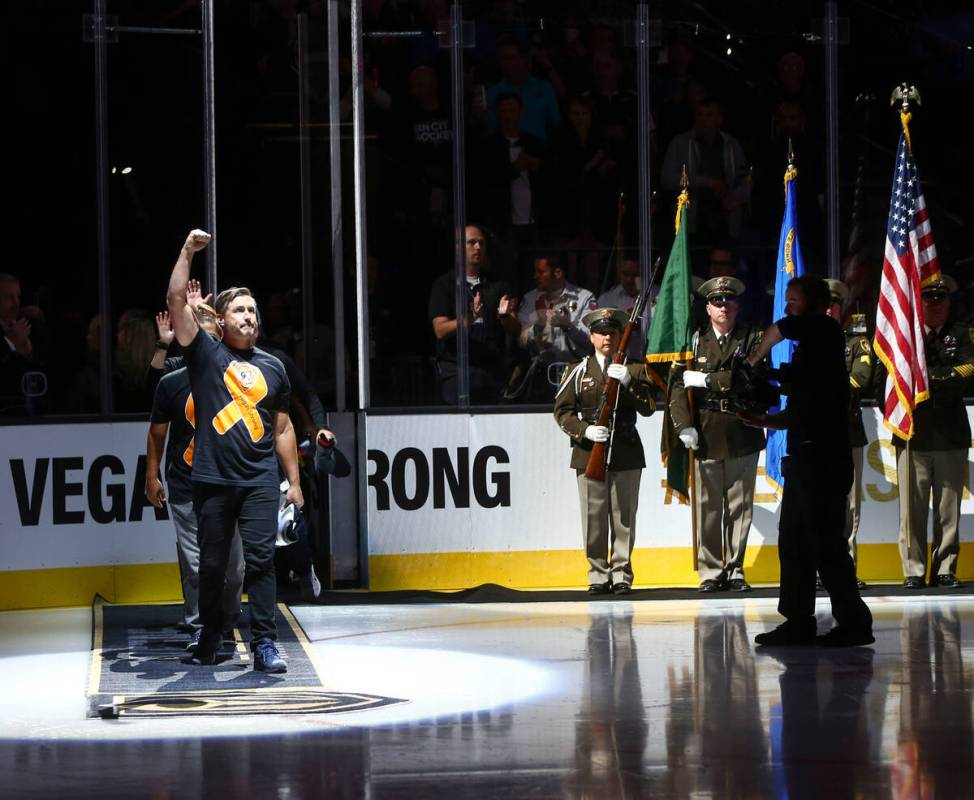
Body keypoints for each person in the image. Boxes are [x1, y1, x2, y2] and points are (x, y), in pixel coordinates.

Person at [167, 229, 302, 672]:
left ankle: (265, 642)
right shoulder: (205, 356)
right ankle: (210, 635)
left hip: (260, 480)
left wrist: (294, 483)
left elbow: (282, 429)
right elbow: (175, 303)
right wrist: (188, 251)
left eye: (252, 310)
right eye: (238, 310)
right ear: (220, 321)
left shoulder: (274, 367)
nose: (248, 315)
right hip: (212, 479)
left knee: (262, 563)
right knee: (213, 567)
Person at [741, 274, 873, 647]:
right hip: (804, 456)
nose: (787, 307)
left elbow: (782, 327)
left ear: (814, 305)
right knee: (794, 542)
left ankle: (854, 622)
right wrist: (764, 420)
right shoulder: (811, 353)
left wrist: (754, 359)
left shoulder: (826, 330)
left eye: (793, 299)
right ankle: (798, 620)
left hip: (825, 461)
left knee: (826, 543)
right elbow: (802, 408)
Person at [145, 303, 245, 649]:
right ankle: (201, 624)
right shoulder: (174, 378)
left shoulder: (237, 377)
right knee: (195, 561)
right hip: (186, 482)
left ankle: (227, 618)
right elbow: (156, 428)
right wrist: (151, 475)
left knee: (234, 570)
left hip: (228, 481)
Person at [670, 276, 766, 593]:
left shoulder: (752, 338)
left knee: (740, 508)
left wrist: (708, 381)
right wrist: (684, 426)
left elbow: (750, 379)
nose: (723, 307)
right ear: (708, 307)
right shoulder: (694, 342)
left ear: (737, 305)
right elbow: (676, 389)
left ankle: (735, 568)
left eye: (728, 301)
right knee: (708, 509)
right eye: (717, 302)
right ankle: (711, 569)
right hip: (706, 431)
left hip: (742, 428)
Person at [553, 307, 656, 594]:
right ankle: (598, 574)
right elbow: (562, 412)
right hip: (589, 453)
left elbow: (648, 407)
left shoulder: (633, 368)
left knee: (623, 518)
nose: (607, 337)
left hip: (625, 451)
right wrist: (584, 431)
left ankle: (621, 573)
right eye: (600, 332)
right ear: (591, 336)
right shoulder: (578, 370)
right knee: (594, 517)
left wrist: (629, 382)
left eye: (612, 332)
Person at [887, 275, 972, 589]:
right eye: (928, 300)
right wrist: (940, 380)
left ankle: (945, 567)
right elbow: (888, 381)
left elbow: (968, 372)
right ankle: (913, 569)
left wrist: (926, 380)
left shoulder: (963, 334)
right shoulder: (903, 338)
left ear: (949, 303)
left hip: (950, 435)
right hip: (913, 434)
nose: (935, 306)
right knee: (912, 509)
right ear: (917, 304)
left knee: (949, 508)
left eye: (941, 300)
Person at [428, 224, 520, 404]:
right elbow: (439, 330)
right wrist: (469, 319)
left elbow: (516, 330)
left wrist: (504, 317)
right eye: (472, 243)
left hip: (492, 373)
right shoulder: (444, 284)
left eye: (482, 244)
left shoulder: (498, 285)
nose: (478, 247)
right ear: (458, 248)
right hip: (457, 374)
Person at [826, 279, 872, 589]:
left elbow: (861, 379)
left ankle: (848, 568)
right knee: (821, 503)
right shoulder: (804, 342)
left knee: (850, 504)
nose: (830, 309)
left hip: (848, 431)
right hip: (815, 434)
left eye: (834, 304)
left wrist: (822, 385)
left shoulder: (856, 343)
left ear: (841, 308)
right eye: (824, 304)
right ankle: (820, 568)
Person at [512, 252, 596, 401]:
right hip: (540, 377)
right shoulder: (530, 299)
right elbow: (520, 340)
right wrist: (538, 325)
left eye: (541, 272)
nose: (535, 276)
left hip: (576, 373)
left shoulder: (584, 298)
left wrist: (568, 327)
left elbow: (592, 339)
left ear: (557, 273)